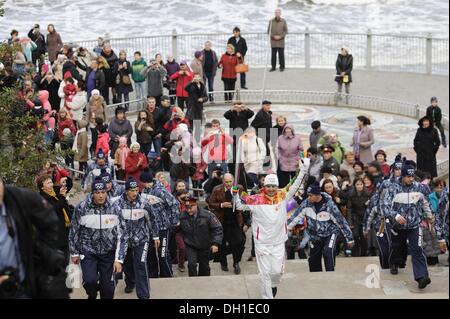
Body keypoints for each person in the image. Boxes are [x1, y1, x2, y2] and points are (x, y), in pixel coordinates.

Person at [233, 159, 310, 299]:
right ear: (264, 185)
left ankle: (273, 286)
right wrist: (235, 195)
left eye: (273, 186)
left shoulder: (283, 196)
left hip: (278, 242)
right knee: (265, 274)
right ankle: (267, 298)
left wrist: (304, 169)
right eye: (268, 186)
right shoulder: (255, 199)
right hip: (262, 242)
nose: (271, 189)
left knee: (277, 272)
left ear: (277, 186)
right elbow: (239, 205)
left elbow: (295, 184)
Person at [0, 176, 69, 299]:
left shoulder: (17, 198)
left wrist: (43, 249)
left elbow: (49, 218)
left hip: (22, 285)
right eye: (48, 182)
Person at [69, 177, 127, 299]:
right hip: (88, 252)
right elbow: (74, 230)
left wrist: (119, 260)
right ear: (92, 193)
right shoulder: (82, 208)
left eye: (103, 192)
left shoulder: (115, 208)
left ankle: (105, 288)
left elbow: (122, 235)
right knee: (90, 281)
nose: (101, 196)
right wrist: (74, 252)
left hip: (108, 254)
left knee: (108, 290)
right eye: (97, 193)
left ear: (106, 192)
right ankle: (92, 293)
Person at [382, 162, 433, 289]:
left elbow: (425, 203)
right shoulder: (393, 188)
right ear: (403, 176)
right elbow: (384, 206)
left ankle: (421, 277)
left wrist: (429, 216)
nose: (411, 179)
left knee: (417, 249)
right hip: (397, 226)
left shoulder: (419, 187)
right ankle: (394, 263)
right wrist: (396, 216)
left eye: (412, 176)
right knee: (397, 246)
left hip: (415, 224)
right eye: (408, 177)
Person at [288, 181, 354, 272]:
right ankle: (317, 278)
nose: (309, 197)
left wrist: (349, 238)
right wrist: (283, 230)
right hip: (315, 235)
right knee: (313, 260)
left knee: (328, 251)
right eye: (308, 195)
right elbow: (294, 218)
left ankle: (330, 274)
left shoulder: (329, 205)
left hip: (330, 233)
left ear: (317, 195)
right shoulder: (306, 204)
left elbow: (341, 222)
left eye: (311, 195)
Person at [116, 178, 160, 299]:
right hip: (125, 241)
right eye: (132, 190)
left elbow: (153, 219)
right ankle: (130, 282)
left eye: (136, 190)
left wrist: (155, 236)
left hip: (142, 239)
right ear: (126, 191)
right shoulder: (117, 204)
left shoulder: (144, 203)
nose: (135, 193)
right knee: (128, 264)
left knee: (140, 264)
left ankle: (144, 295)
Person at [140, 171, 182, 278]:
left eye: (144, 182)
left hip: (163, 227)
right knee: (151, 253)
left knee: (163, 253)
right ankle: (153, 275)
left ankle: (167, 275)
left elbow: (174, 204)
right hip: (150, 228)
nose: (143, 185)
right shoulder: (145, 191)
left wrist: (173, 221)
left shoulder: (160, 191)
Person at [207, 174, 246, 274]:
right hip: (222, 221)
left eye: (230, 182)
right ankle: (223, 262)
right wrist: (221, 205)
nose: (228, 184)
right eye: (226, 182)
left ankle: (236, 262)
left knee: (239, 242)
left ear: (233, 181)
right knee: (222, 244)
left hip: (235, 220)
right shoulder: (217, 189)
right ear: (223, 181)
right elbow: (210, 203)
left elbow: (245, 201)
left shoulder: (239, 188)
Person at [178, 195, 223, 277]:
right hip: (190, 244)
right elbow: (176, 229)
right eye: (186, 207)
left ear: (196, 205)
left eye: (191, 207)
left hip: (204, 245)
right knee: (191, 265)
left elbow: (217, 229)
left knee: (204, 267)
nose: (188, 210)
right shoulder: (182, 216)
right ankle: (193, 282)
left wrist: (215, 243)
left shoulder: (207, 215)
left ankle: (204, 284)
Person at [37, 174, 72, 261]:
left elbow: (68, 185)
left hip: (66, 229)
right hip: (56, 234)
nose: (51, 184)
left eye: (51, 182)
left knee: (66, 258)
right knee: (60, 260)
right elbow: (56, 208)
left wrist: (65, 179)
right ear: (42, 187)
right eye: (48, 183)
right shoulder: (42, 198)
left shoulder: (55, 191)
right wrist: (62, 197)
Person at [346, 178, 371, 257]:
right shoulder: (351, 194)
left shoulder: (368, 194)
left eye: (361, 184)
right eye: (357, 184)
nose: (359, 186)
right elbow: (349, 208)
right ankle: (355, 253)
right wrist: (350, 222)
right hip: (355, 217)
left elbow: (370, 208)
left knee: (364, 236)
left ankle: (364, 253)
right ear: (354, 185)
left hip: (365, 217)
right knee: (355, 235)